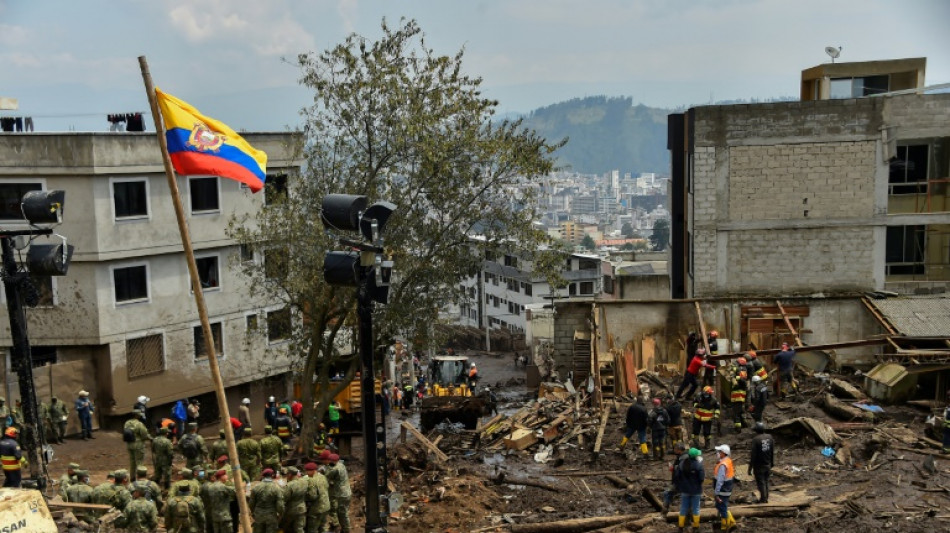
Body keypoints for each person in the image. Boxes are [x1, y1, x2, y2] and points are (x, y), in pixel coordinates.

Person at [676, 447, 705, 532]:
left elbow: (677, 476)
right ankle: (696, 527)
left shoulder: (682, 464)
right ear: (696, 456)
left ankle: (680, 527)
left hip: (685, 490)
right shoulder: (698, 465)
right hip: (696, 490)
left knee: (683, 508)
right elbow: (701, 478)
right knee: (696, 508)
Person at [250, 468, 285, 533]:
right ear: (272, 476)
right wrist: (280, 514)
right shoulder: (277, 488)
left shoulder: (256, 487)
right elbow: (280, 505)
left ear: (263, 476)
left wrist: (253, 513)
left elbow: (251, 503)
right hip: (271, 516)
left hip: (258, 515)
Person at [749, 422, 775, 503]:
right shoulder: (770, 437)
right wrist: (772, 462)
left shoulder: (756, 440)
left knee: (761, 482)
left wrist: (750, 468)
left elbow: (753, 455)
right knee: (766, 481)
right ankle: (766, 497)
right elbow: (772, 451)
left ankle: (763, 499)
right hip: (768, 464)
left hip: (759, 466)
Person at [325, 453, 351, 533]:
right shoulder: (341, 465)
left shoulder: (334, 469)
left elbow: (327, 476)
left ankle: (346, 530)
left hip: (341, 494)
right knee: (343, 512)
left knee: (342, 514)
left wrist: (326, 467)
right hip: (347, 492)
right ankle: (344, 528)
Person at [205, 469, 236, 533]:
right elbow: (235, 491)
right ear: (221, 477)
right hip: (224, 516)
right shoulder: (222, 487)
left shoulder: (210, 487)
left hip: (215, 516)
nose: (227, 476)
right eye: (225, 475)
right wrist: (232, 482)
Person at [124, 409, 152, 480]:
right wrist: (150, 438)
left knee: (132, 462)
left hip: (129, 444)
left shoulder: (127, 423)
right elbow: (144, 434)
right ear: (137, 415)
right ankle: (140, 479)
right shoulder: (139, 424)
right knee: (139, 462)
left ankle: (132, 478)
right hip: (138, 445)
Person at [714, 444, 736, 531]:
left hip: (722, 490)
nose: (718, 453)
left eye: (719, 452)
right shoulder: (727, 461)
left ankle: (724, 527)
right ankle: (732, 522)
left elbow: (720, 480)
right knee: (721, 506)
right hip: (727, 489)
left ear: (723, 453)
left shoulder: (723, 465)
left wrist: (716, 493)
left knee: (722, 508)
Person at [304, 461, 331, 533]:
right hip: (326, 506)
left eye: (307, 471)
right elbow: (327, 487)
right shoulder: (323, 477)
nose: (306, 473)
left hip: (317, 509)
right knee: (323, 527)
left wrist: (305, 496)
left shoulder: (312, 480)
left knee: (312, 529)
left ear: (312, 471)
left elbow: (313, 496)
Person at [662, 442, 688, 514]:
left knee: (668, 493)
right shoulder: (681, 456)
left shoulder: (684, 458)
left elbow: (682, 469)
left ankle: (665, 511)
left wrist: (673, 468)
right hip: (679, 480)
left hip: (680, 481)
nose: (674, 450)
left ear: (679, 450)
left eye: (675, 449)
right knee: (669, 493)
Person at [281, 466, 310, 533]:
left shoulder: (290, 485)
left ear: (290, 474)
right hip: (302, 509)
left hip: (291, 511)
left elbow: (284, 499)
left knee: (285, 527)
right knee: (299, 529)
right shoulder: (304, 481)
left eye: (287, 474)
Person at [691, 386, 720, 450]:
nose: (707, 395)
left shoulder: (713, 400)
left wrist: (716, 415)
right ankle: (696, 444)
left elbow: (717, 408)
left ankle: (707, 444)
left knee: (707, 432)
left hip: (707, 419)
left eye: (708, 394)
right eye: (706, 394)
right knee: (695, 431)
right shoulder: (699, 396)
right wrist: (697, 405)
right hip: (697, 417)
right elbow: (694, 402)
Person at [728, 359, 749, 433]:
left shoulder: (738, 380)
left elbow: (732, 375)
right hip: (741, 397)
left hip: (737, 397)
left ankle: (738, 429)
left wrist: (734, 378)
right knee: (740, 411)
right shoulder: (744, 371)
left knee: (736, 413)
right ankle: (744, 424)